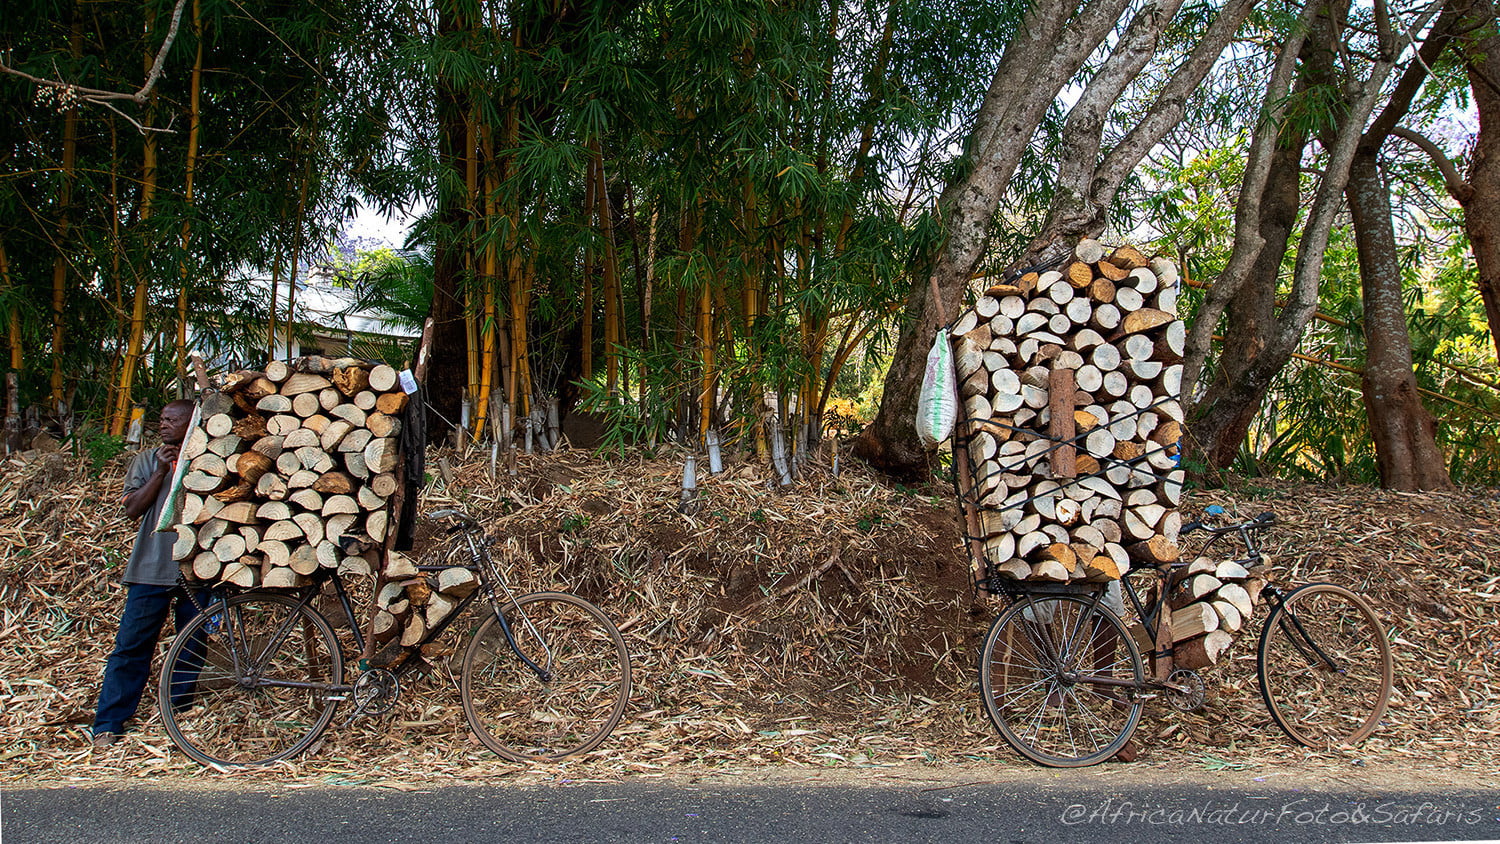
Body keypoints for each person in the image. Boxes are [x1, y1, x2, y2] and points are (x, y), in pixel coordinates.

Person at [91, 399, 201, 747]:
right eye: (162, 419)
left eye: (172, 420)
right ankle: (109, 722)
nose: (163, 425)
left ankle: (180, 713)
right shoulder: (146, 459)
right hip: (151, 568)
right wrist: (159, 472)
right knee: (131, 646)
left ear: (190, 423)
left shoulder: (206, 457)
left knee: (192, 642)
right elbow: (132, 509)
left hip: (196, 569)